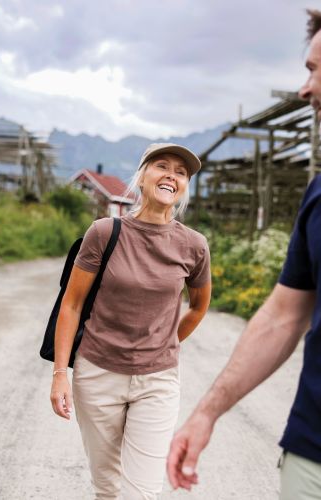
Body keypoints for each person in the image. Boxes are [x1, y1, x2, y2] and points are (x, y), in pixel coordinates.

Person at [167, 9, 321, 500]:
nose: (304, 89)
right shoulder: (318, 195)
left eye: (315, 69)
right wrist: (207, 410)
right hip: (313, 450)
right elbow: (282, 315)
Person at [50, 143, 212, 499]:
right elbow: (72, 304)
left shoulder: (194, 246)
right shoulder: (104, 233)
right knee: (107, 486)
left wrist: (167, 340)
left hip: (158, 380)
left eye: (181, 172)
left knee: (143, 491)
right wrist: (61, 374)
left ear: (184, 186)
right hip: (97, 376)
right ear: (141, 176)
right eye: (162, 166)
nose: (171, 175)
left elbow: (199, 306)